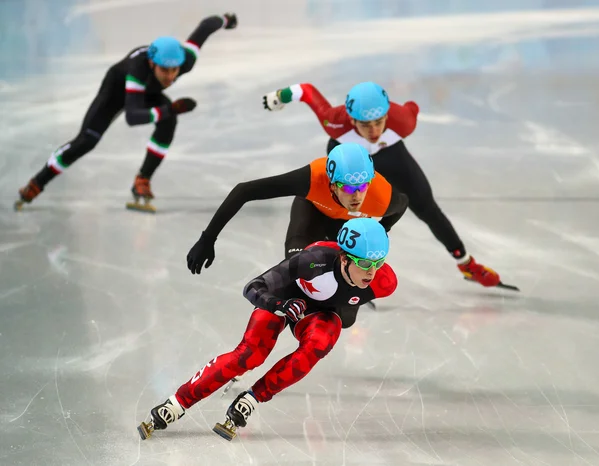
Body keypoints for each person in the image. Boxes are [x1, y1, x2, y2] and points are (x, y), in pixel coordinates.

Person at [138, 217, 397, 441]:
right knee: (250, 355)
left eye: (378, 262)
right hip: (283, 299)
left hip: (319, 312)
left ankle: (252, 398)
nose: (372, 271)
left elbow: (348, 299)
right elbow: (253, 286)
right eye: (364, 264)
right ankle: (177, 403)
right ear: (343, 257)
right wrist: (279, 304)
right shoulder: (313, 261)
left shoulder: (384, 283)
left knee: (321, 341)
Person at [262, 81, 507, 288]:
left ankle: (466, 264)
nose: (373, 131)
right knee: (345, 212)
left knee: (427, 208)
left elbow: (413, 107)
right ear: (350, 119)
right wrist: (278, 97)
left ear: (387, 115)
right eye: (364, 124)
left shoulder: (404, 121)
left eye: (379, 122)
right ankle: (346, 273)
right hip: (348, 156)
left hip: (391, 156)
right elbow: (304, 90)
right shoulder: (333, 120)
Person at [15, 13, 238, 213]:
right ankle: (37, 182)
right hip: (116, 92)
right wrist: (169, 108)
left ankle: (142, 179)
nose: (170, 76)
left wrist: (227, 20)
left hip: (148, 91)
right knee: (86, 142)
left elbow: (207, 25)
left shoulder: (185, 59)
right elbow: (133, 117)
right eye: (164, 70)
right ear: (152, 64)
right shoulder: (137, 69)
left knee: (168, 122)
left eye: (174, 70)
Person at [186, 142, 408, 274]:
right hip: (311, 210)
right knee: (297, 270)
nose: (357, 195)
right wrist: (208, 238)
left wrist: (382, 230)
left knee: (346, 314)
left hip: (345, 225)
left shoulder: (381, 197)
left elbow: (403, 203)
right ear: (331, 184)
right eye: (348, 189)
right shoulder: (311, 178)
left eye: (362, 186)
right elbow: (244, 191)